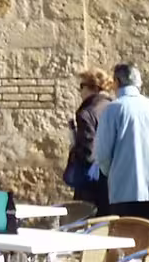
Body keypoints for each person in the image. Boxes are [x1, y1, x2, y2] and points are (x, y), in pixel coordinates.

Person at [92, 64, 149, 227]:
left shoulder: (113, 110)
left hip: (125, 193)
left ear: (116, 82)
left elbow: (102, 155)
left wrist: (114, 173)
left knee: (127, 248)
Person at [64, 69, 113, 207]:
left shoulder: (86, 113)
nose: (80, 92)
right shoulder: (114, 108)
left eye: (81, 86)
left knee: (86, 221)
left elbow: (88, 152)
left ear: (92, 88)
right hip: (112, 181)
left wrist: (74, 150)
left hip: (91, 182)